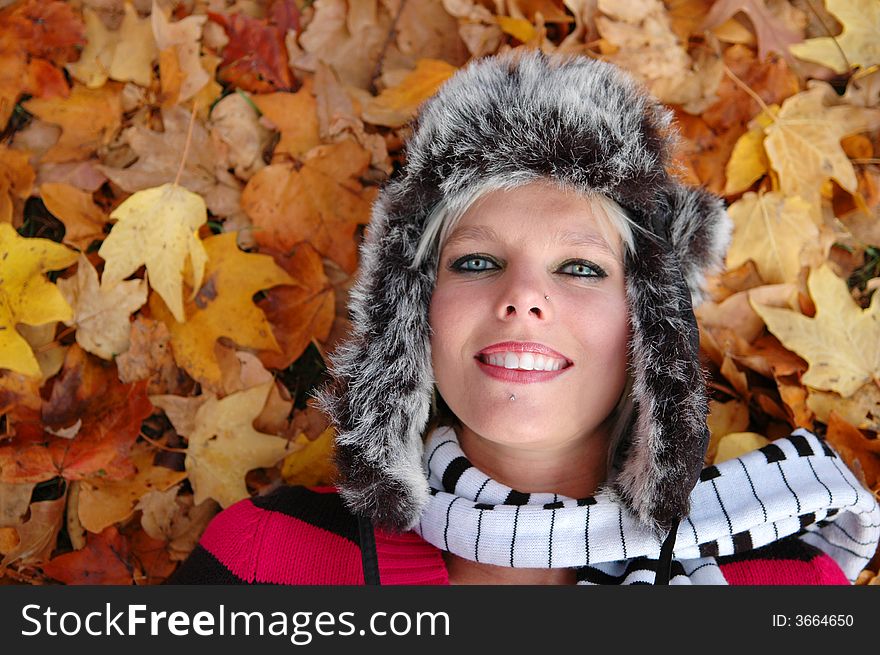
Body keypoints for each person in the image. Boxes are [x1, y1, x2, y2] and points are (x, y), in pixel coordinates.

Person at [168, 50, 880, 585]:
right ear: (413, 316)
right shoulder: (269, 553)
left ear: (651, 327)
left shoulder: (778, 582)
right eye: (476, 261)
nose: (523, 297)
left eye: (580, 267)